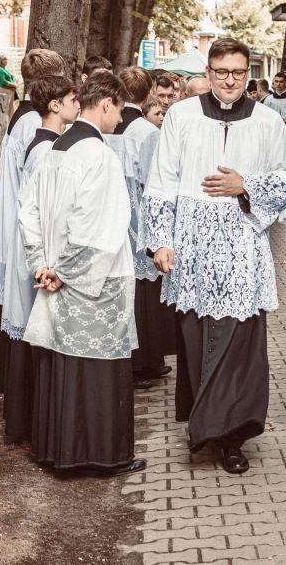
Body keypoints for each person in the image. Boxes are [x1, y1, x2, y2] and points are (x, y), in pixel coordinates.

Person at [141, 37, 286, 474]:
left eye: (238, 73)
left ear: (248, 75)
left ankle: (230, 435)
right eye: (222, 72)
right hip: (191, 245)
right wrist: (160, 240)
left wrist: (245, 186)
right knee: (197, 338)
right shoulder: (182, 116)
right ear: (208, 75)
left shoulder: (268, 122)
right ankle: (205, 422)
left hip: (243, 245)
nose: (230, 80)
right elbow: (160, 179)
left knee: (239, 341)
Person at [18, 71, 145, 475]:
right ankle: (98, 454)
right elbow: (101, 226)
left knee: (61, 364)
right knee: (96, 369)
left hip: (57, 270)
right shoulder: (100, 156)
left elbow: (29, 211)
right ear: (106, 103)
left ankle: (56, 448)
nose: (121, 118)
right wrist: (67, 272)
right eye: (119, 109)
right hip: (93, 280)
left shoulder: (54, 150)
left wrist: (43, 264)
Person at [0, 74, 79, 444]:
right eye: (72, 99)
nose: (78, 106)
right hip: (40, 253)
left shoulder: (48, 144)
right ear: (54, 105)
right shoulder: (46, 150)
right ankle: (35, 422)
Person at [0, 48, 67, 394]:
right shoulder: (32, 123)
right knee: (26, 311)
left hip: (16, 224)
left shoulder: (23, 117)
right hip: (26, 230)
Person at [108, 67, 172, 390]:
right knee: (144, 292)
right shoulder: (147, 132)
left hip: (114, 214)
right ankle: (145, 360)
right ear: (147, 93)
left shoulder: (110, 128)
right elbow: (154, 179)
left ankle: (133, 359)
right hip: (138, 217)